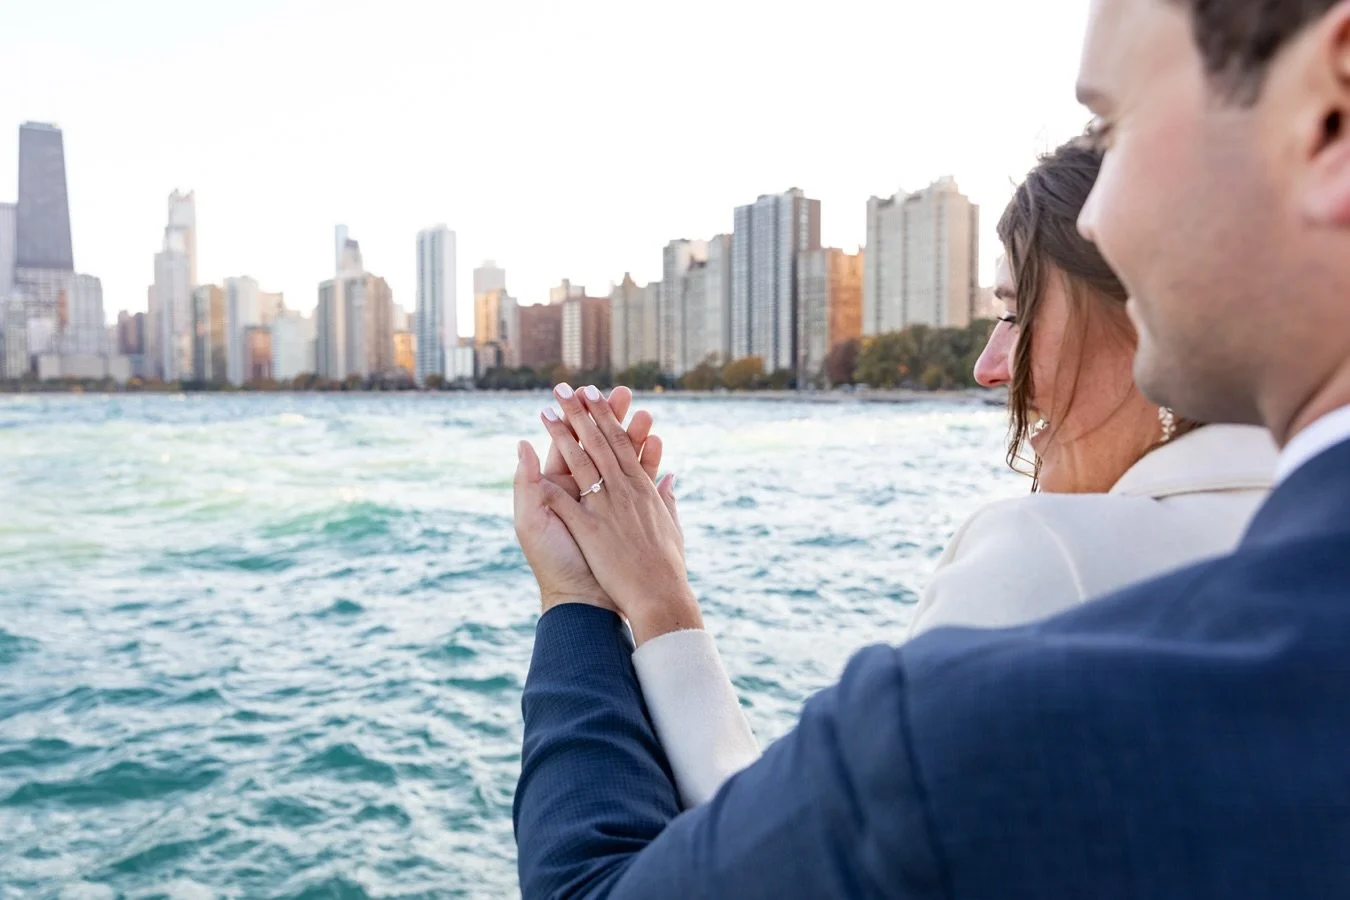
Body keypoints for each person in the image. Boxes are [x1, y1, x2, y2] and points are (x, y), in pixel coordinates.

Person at [511, 0, 1350, 895]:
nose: (1100, 215)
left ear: (1328, 113)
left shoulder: (1039, 600)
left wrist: (593, 602)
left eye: (1121, 122)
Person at [566, 141, 1279, 810]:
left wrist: (652, 598)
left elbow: (776, 860)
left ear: (1151, 317)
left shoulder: (1054, 557)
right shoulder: (1303, 534)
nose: (989, 367)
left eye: (1014, 312)